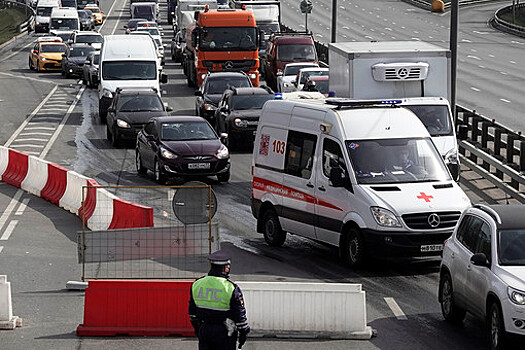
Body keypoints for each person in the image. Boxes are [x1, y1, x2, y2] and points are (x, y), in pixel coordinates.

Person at [188, 250, 250, 350]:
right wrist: (243, 333)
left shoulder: (197, 284)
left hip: (205, 329)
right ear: (226, 268)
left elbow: (192, 313)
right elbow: (239, 315)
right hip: (225, 331)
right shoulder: (230, 287)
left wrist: (198, 329)